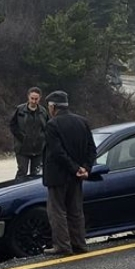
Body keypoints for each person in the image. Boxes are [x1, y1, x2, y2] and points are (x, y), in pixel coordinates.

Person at [41, 90, 97, 256]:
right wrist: (85, 168)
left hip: (58, 176)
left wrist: (74, 168)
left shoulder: (52, 125)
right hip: (77, 176)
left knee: (57, 211)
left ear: (53, 107)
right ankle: (79, 243)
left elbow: (58, 152)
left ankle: (63, 245)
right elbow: (91, 149)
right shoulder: (82, 121)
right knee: (75, 211)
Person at [8, 86, 47, 179]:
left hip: (38, 149)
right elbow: (12, 125)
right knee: (22, 172)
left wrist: (43, 139)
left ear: (40, 98)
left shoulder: (43, 111)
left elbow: (48, 127)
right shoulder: (20, 110)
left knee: (37, 174)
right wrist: (21, 137)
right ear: (28, 97)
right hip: (22, 148)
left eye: (36, 99)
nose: (34, 101)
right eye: (32, 98)